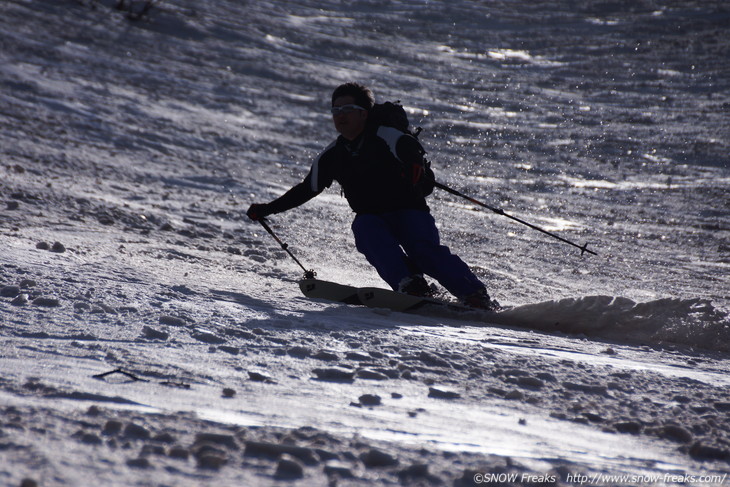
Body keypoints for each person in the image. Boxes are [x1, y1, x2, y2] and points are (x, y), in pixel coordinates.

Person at [247, 82, 496, 309]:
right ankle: (411, 286)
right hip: (372, 217)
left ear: (364, 113)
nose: (340, 115)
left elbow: (407, 146)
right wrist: (267, 209)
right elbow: (306, 189)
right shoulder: (333, 155)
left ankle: (474, 294)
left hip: (409, 210)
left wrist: (414, 164)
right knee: (366, 229)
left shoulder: (384, 135)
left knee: (423, 251)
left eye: (347, 109)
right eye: (335, 110)